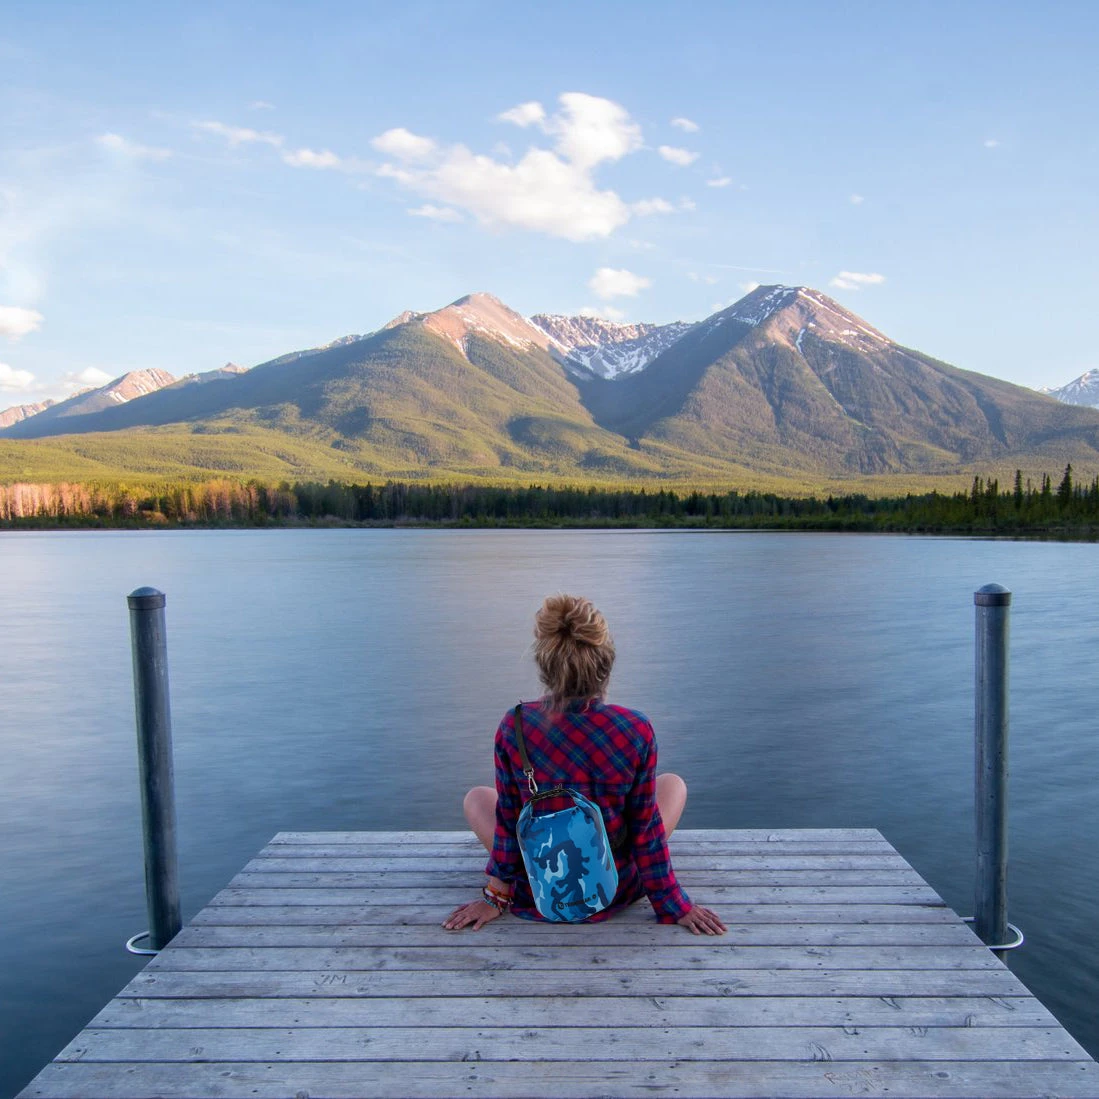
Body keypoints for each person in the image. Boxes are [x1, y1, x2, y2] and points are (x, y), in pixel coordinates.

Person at [444, 593, 726, 936]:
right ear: (606, 664)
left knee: (478, 798)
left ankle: (517, 884)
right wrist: (673, 904)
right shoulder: (634, 729)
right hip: (612, 886)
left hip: (541, 885)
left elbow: (508, 819)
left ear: (545, 667)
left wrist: (495, 897)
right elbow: (645, 829)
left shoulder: (515, 725)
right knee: (673, 785)